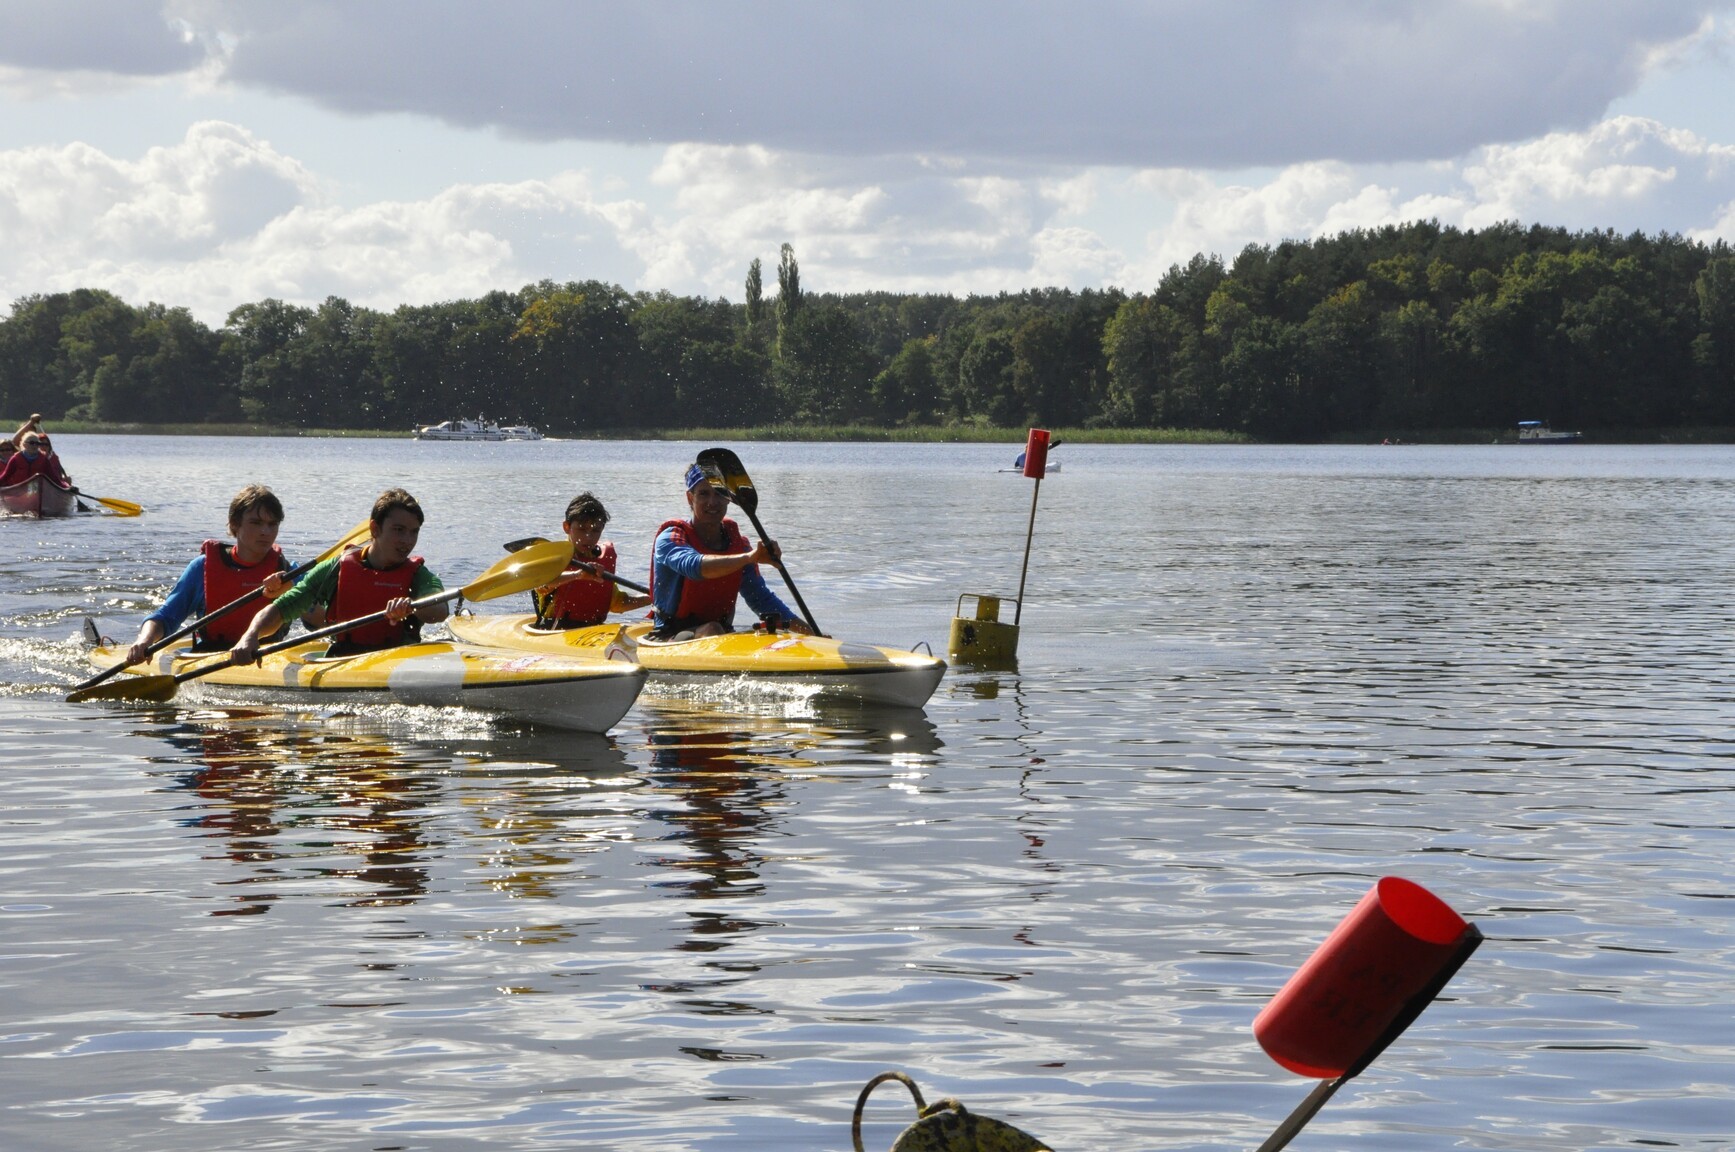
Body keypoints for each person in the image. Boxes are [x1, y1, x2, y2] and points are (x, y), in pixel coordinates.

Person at [231, 488, 446, 662]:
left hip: (397, 660)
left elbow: (439, 611)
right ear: (375, 529)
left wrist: (414, 605)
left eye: (414, 532)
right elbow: (283, 607)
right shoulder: (336, 569)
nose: (407, 541)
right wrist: (251, 635)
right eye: (399, 530)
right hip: (343, 659)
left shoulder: (419, 575)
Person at [125, 485, 303, 662]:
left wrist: (292, 589)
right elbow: (166, 617)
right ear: (235, 524)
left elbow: (318, 619)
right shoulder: (201, 568)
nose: (265, 531)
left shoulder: (288, 571)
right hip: (211, 654)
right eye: (256, 523)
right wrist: (144, 640)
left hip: (267, 657)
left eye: (272, 524)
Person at [648, 463, 809, 639]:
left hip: (721, 635)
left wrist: (812, 635)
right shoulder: (670, 537)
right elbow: (694, 567)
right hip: (669, 636)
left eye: (719, 493)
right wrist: (749, 558)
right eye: (703, 494)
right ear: (690, 498)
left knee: (764, 633)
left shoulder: (739, 545)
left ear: (728, 498)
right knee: (712, 629)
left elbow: (761, 600)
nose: (712, 502)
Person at [531, 491, 652, 629]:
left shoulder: (600, 561)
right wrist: (577, 575)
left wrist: (652, 598)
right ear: (567, 527)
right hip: (553, 629)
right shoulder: (554, 557)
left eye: (595, 531)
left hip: (592, 631)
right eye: (581, 529)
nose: (588, 537)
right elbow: (541, 585)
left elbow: (618, 604)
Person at [0, 431, 72, 488]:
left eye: (37, 443)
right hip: (19, 491)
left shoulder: (44, 460)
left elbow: (54, 479)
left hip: (37, 490)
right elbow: (5, 477)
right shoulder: (15, 459)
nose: (35, 445)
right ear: (24, 444)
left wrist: (67, 487)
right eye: (32, 443)